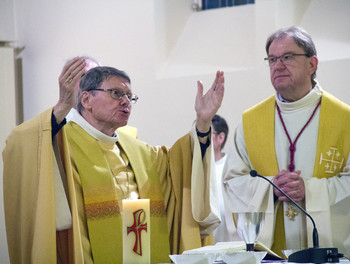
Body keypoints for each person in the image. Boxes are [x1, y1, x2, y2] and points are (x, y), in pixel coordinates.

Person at [3, 57, 224, 264]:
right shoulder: (59, 142)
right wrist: (62, 106)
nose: (126, 101)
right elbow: (20, 145)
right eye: (117, 93)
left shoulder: (139, 151)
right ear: (86, 99)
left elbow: (180, 167)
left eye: (130, 96)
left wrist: (203, 122)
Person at [222, 26, 350, 258]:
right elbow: (232, 182)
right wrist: (270, 188)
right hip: (270, 255)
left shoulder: (345, 119)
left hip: (329, 255)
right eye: (272, 59)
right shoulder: (250, 122)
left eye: (287, 57)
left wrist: (309, 190)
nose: (278, 65)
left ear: (312, 64)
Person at [211, 114, 230, 243]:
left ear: (220, 137)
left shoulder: (231, 165)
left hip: (226, 237)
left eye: (206, 133)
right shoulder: (196, 167)